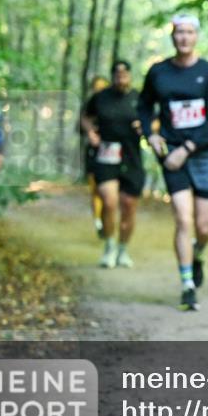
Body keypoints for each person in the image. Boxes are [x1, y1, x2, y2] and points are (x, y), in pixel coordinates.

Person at [137, 15, 208, 311]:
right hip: (172, 155)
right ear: (172, 36)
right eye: (179, 33)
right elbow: (144, 106)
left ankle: (198, 254)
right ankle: (187, 285)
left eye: (189, 33)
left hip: (204, 154)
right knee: (183, 219)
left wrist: (187, 147)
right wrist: (150, 133)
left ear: (196, 36)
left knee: (204, 226)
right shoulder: (158, 72)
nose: (184, 38)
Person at [81, 60, 145, 269]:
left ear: (130, 75)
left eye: (125, 72)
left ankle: (123, 249)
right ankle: (108, 246)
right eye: (117, 73)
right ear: (112, 76)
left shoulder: (138, 98)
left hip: (131, 157)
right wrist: (90, 132)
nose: (121, 76)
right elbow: (85, 118)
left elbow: (155, 121)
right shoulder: (100, 98)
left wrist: (144, 128)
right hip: (106, 155)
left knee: (128, 205)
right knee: (109, 201)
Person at [85, 75, 110, 237]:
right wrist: (90, 132)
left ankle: (107, 220)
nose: (99, 90)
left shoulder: (115, 104)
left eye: (103, 87)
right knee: (96, 190)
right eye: (96, 87)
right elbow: (82, 124)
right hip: (94, 153)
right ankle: (98, 222)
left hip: (113, 153)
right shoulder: (88, 107)